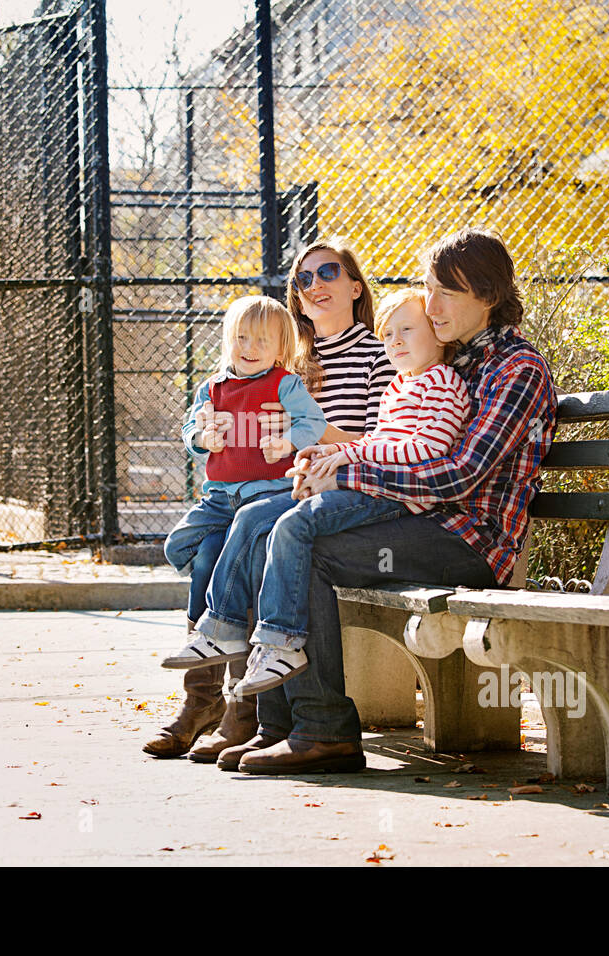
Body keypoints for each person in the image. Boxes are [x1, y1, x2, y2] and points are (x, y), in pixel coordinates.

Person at [220, 227, 558, 775]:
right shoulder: (451, 361)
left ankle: (323, 730)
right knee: (272, 531)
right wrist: (339, 465)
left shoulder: (516, 369)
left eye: (448, 292)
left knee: (304, 543)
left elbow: (462, 476)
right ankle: (279, 726)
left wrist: (355, 473)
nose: (432, 304)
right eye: (429, 289)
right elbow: (394, 442)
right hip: (417, 520)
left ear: (490, 297)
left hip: (469, 539)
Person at [142, 238, 395, 760]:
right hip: (272, 489)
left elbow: (378, 438)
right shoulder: (284, 356)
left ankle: (246, 712)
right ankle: (211, 703)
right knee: (211, 550)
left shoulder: (377, 352)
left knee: (258, 529)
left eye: (328, 272)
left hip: (328, 491)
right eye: (303, 279)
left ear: (355, 285)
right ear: (295, 300)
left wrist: (308, 434)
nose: (316, 284)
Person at [226, 288, 472, 697]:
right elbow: (376, 444)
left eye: (407, 330)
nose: (394, 340)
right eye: (388, 333)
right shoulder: (398, 389)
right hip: (374, 489)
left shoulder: (443, 383)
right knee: (261, 518)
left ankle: (280, 641)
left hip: (398, 500)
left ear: (439, 335)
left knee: (294, 525)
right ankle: (239, 640)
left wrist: (346, 455)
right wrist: (325, 456)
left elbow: (426, 449)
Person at [160, 295, 326, 666]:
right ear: (228, 341)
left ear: (280, 349)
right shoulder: (212, 389)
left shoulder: (284, 384)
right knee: (177, 545)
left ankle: (222, 636)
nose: (250, 348)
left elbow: (312, 423)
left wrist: (286, 442)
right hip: (219, 496)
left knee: (215, 554)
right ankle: (211, 632)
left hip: (264, 491)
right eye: (242, 338)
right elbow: (189, 430)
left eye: (262, 341)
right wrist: (203, 440)